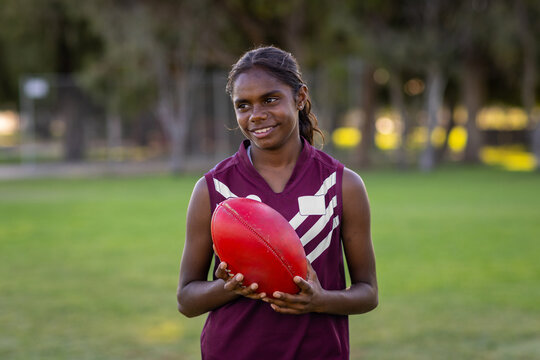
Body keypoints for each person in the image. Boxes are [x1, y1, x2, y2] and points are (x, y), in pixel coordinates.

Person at [177, 45, 378, 360]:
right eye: (243, 105)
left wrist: (320, 300)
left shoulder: (342, 185)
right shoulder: (213, 188)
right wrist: (228, 288)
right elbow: (186, 300)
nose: (256, 115)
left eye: (270, 99)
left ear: (299, 98)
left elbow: (368, 292)